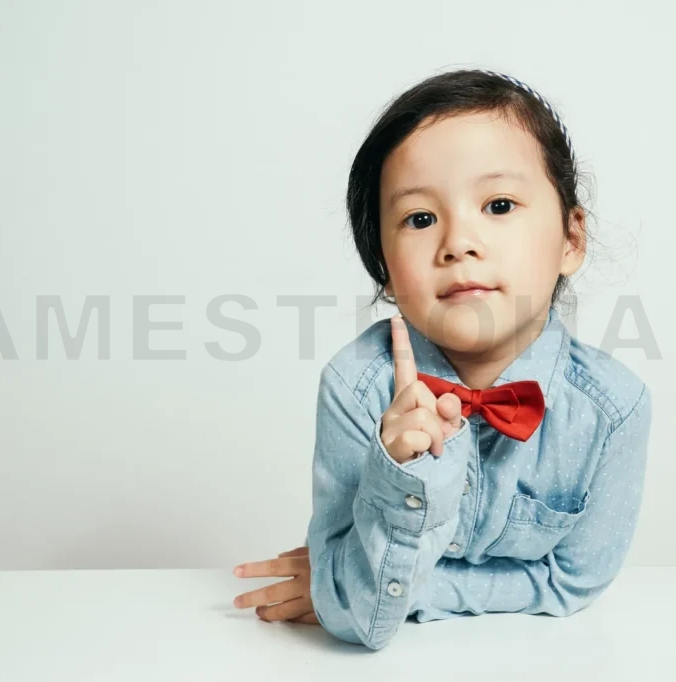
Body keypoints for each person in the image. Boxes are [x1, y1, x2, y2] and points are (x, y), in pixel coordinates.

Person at [231, 68, 652, 650]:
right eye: (420, 218)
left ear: (570, 239)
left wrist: (401, 587)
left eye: (499, 204)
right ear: (383, 265)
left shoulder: (614, 408)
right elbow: (358, 621)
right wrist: (401, 471)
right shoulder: (356, 387)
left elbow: (573, 584)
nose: (458, 242)